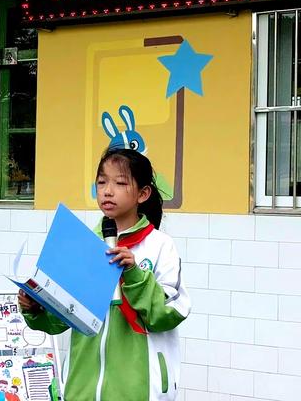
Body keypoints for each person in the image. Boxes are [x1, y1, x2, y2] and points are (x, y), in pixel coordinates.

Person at [18, 148, 190, 401]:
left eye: (120, 183)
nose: (108, 190)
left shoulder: (160, 246)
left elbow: (166, 314)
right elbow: (61, 319)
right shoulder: (83, 245)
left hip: (139, 390)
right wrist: (36, 307)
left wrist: (134, 275)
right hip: (81, 388)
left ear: (143, 194)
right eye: (101, 182)